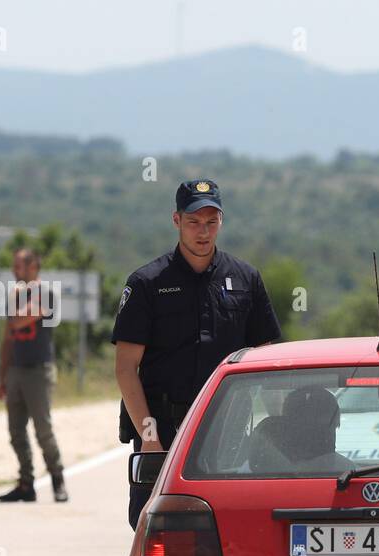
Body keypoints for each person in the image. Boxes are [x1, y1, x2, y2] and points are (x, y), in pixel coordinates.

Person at [112, 179, 281, 528]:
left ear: (221, 221)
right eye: (193, 222)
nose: (203, 232)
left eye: (211, 221)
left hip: (230, 430)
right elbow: (126, 368)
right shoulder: (147, 283)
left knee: (228, 526)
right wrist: (149, 439)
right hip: (163, 431)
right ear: (176, 221)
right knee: (154, 525)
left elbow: (266, 363)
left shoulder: (246, 279)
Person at [0, 248, 67, 503]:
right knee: (16, 430)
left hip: (38, 370)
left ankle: (58, 479)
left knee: (43, 429)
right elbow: (7, 337)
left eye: (20, 266)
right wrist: (2, 375)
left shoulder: (45, 293)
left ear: (34, 267)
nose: (15, 271)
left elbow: (19, 319)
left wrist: (15, 299)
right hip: (16, 369)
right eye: (14, 266)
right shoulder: (15, 294)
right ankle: (26, 483)